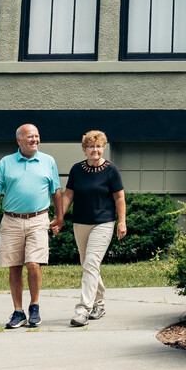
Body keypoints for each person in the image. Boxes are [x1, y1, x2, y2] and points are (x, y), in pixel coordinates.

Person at [0, 122, 62, 329]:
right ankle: (18, 312)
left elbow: (56, 190)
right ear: (19, 140)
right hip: (11, 220)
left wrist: (59, 216)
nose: (35, 139)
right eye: (30, 137)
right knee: (14, 266)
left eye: (36, 136)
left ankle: (34, 307)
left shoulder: (48, 161)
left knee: (33, 263)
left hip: (38, 219)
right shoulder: (5, 163)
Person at [55, 129, 127, 326]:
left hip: (103, 223)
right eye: (91, 146)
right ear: (84, 149)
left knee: (91, 263)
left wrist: (122, 222)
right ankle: (99, 303)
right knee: (87, 264)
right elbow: (69, 194)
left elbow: (119, 197)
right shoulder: (77, 169)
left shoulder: (111, 170)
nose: (95, 150)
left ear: (103, 148)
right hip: (80, 222)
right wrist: (59, 217)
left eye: (99, 146)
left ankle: (83, 309)